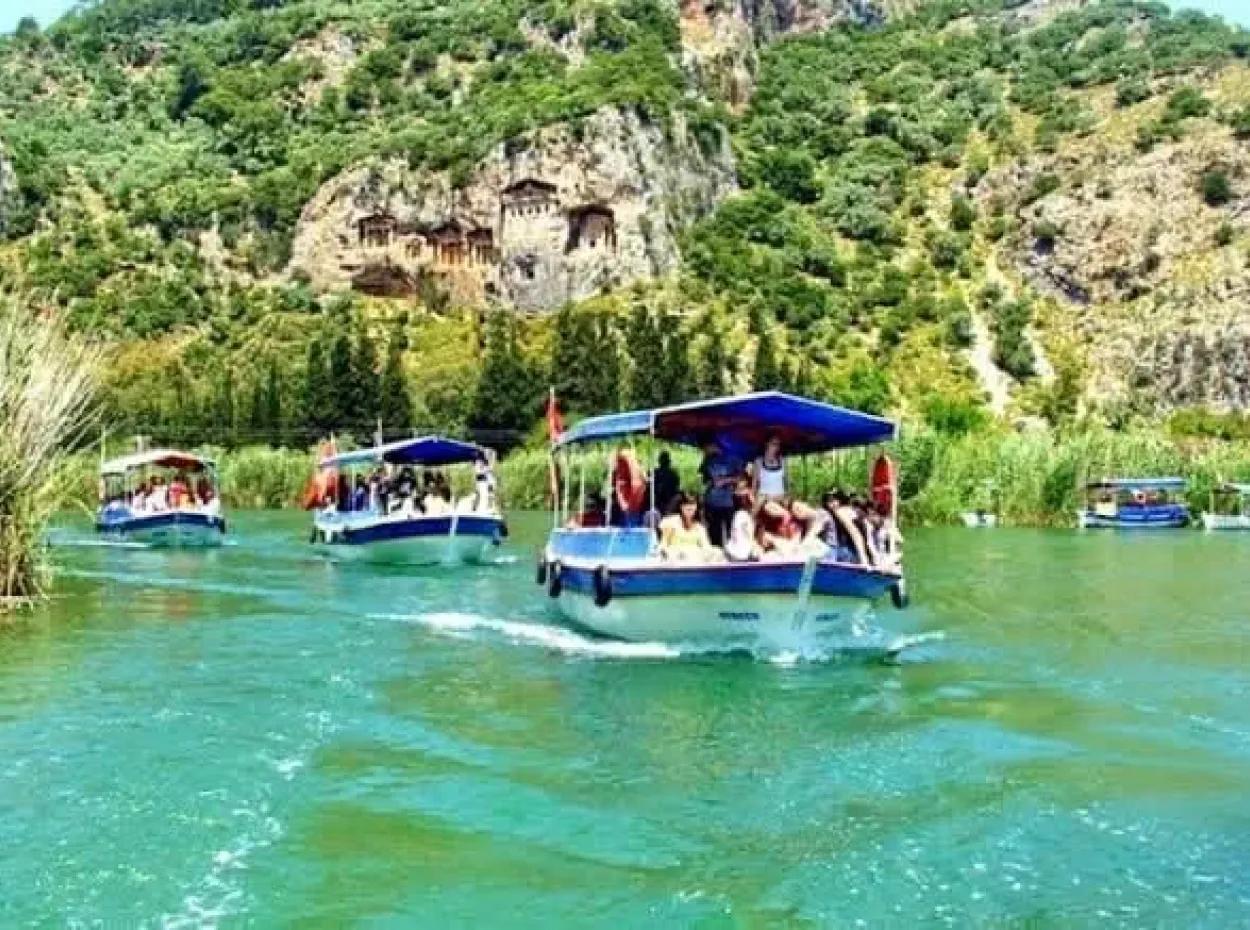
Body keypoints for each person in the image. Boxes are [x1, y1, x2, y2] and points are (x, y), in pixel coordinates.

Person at [698, 440, 744, 547]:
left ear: (712, 445)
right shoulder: (707, 459)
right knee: (714, 534)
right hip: (711, 501)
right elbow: (703, 479)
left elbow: (741, 477)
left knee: (731, 532)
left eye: (705, 449)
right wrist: (709, 482)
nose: (705, 452)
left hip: (728, 502)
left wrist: (725, 480)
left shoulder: (732, 457)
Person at [658, 492, 717, 562]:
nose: (689, 507)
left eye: (692, 504)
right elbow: (663, 544)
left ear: (696, 506)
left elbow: (706, 547)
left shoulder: (700, 527)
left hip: (694, 561)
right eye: (686, 504)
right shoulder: (670, 523)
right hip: (674, 561)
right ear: (681, 506)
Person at [820, 490, 868, 565]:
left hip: (849, 552)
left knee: (828, 550)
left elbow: (855, 534)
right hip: (848, 551)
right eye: (829, 501)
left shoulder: (841, 512)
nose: (832, 504)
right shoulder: (829, 515)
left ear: (840, 501)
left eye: (834, 500)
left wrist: (864, 559)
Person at [724, 485, 761, 562]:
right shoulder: (742, 515)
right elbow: (746, 535)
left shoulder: (741, 514)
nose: (753, 498)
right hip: (740, 554)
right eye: (751, 496)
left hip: (741, 552)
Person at [611, 446, 647, 528]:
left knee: (631, 522)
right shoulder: (621, 476)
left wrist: (628, 505)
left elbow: (637, 485)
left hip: (631, 507)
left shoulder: (634, 473)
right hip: (627, 507)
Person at [753, 435, 787, 503]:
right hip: (764, 499)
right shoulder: (759, 461)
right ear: (767, 444)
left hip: (780, 497)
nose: (776, 447)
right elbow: (754, 483)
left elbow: (786, 480)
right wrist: (755, 498)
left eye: (778, 444)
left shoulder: (782, 460)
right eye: (774, 444)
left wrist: (787, 494)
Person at [650, 451, 680, 517]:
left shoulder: (654, 472)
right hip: (664, 503)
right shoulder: (673, 474)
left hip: (663, 503)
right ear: (669, 462)